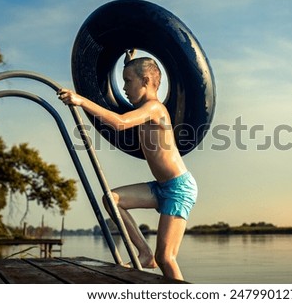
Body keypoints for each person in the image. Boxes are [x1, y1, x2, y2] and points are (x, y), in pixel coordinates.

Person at [58, 50, 197, 280]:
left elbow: (121, 123)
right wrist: (129, 62)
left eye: (128, 81)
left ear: (145, 82)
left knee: (166, 257)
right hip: (160, 187)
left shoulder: (155, 108)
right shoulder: (143, 107)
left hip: (178, 188)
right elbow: (141, 78)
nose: (124, 88)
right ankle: (144, 253)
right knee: (111, 200)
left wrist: (81, 100)